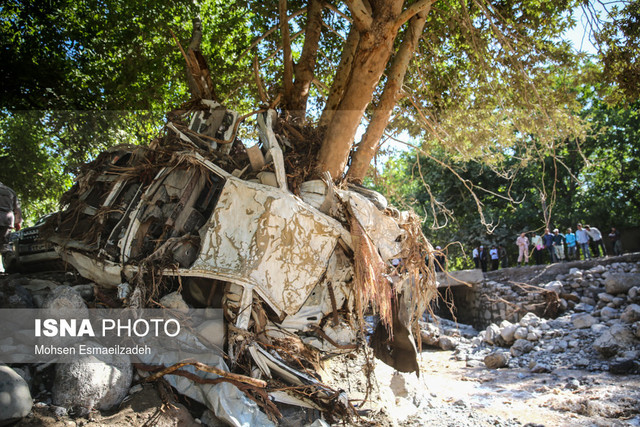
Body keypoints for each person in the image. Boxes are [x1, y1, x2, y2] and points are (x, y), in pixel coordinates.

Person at [0, 182, 22, 256]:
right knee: (4, 245)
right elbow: (17, 209)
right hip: (7, 220)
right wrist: (18, 222)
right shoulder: (10, 191)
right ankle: (9, 255)